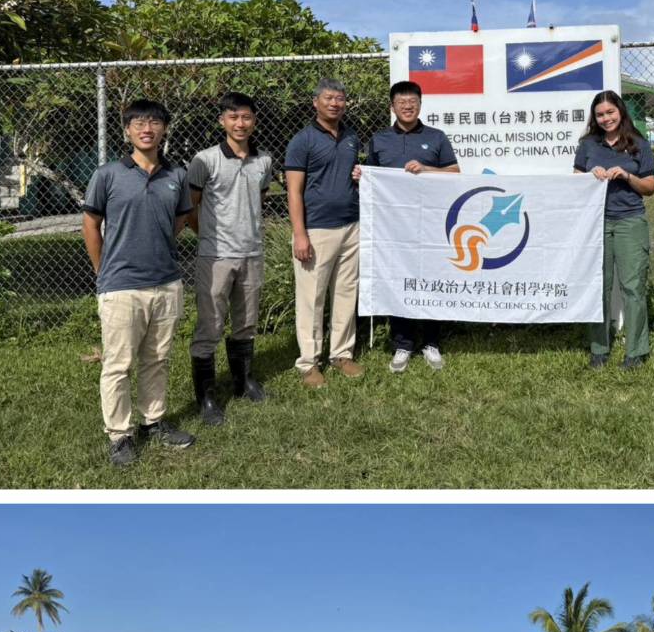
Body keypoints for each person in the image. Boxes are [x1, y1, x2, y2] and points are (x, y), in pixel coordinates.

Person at [82, 99, 195, 467]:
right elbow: (91, 224)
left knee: (157, 358)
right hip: (121, 285)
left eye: (154, 122)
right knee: (118, 363)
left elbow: (179, 221)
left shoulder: (175, 176)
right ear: (127, 130)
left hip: (166, 283)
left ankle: (154, 421)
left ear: (163, 129)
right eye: (139, 123)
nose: (147, 128)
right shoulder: (108, 174)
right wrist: (103, 271)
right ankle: (119, 434)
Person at [187, 92, 274, 424]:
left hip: (252, 252)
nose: (240, 123)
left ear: (254, 121)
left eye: (246, 117)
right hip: (216, 256)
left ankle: (243, 381)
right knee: (209, 325)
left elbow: (259, 200)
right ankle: (206, 397)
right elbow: (190, 206)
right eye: (233, 117)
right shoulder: (204, 160)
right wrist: (208, 236)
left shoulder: (263, 161)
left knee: (247, 323)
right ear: (222, 120)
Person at [363, 80, 459, 373]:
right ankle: (402, 344)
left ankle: (431, 342)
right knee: (398, 282)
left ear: (420, 104)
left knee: (431, 281)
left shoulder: (436, 137)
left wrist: (427, 169)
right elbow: (371, 178)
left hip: (430, 224)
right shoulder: (379, 140)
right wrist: (361, 175)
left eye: (413, 101)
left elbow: (455, 173)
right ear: (392, 106)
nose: (408, 106)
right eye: (401, 101)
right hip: (392, 228)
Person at [285, 79, 364, 389]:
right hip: (316, 229)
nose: (335, 103)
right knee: (311, 298)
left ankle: (341, 354)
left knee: (346, 293)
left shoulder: (351, 138)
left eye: (340, 99)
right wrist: (299, 234)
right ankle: (309, 361)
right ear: (315, 102)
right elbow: (293, 190)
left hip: (350, 226)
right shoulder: (302, 140)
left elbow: (348, 176)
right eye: (329, 98)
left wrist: (358, 174)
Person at [574, 90, 654, 371]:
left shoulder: (638, 144)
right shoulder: (588, 145)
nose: (606, 118)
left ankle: (636, 351)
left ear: (620, 112)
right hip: (595, 224)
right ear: (594, 118)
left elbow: (650, 188)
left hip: (630, 222)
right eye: (600, 114)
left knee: (632, 287)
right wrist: (590, 174)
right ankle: (599, 348)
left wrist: (628, 175)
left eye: (610, 112)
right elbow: (575, 182)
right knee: (599, 286)